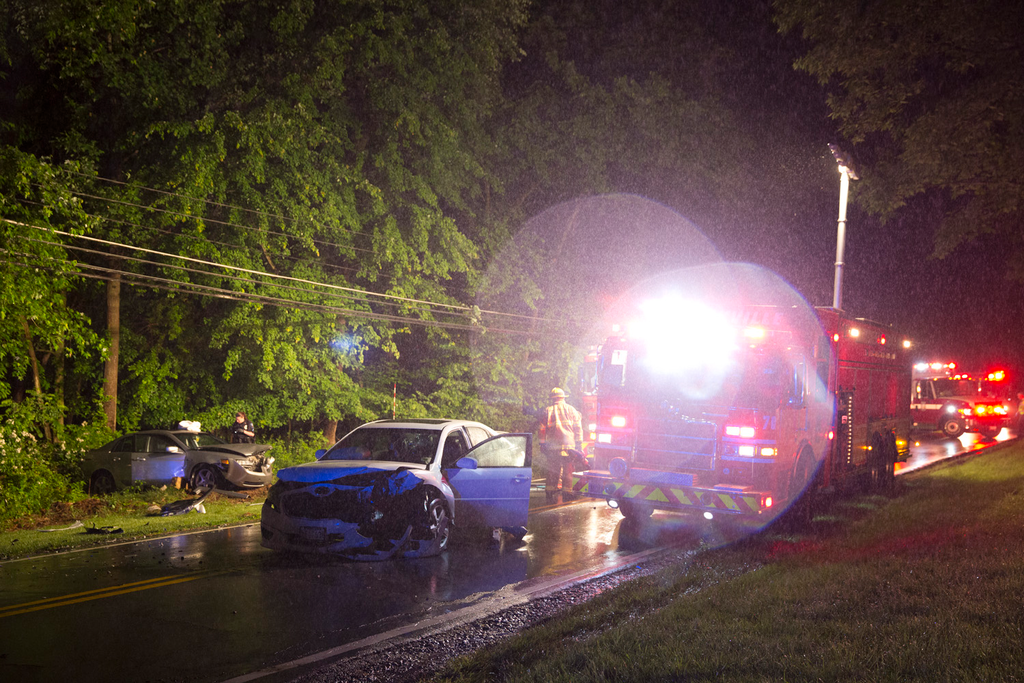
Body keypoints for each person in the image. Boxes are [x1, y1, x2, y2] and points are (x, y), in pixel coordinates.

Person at [539, 387, 583, 501]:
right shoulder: (571, 409)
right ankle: (567, 492)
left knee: (553, 469)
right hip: (569, 446)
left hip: (553, 447)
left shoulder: (548, 410)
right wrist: (579, 443)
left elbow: (542, 429)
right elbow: (578, 428)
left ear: (552, 398)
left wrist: (542, 444)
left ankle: (550, 491)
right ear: (563, 397)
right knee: (568, 469)